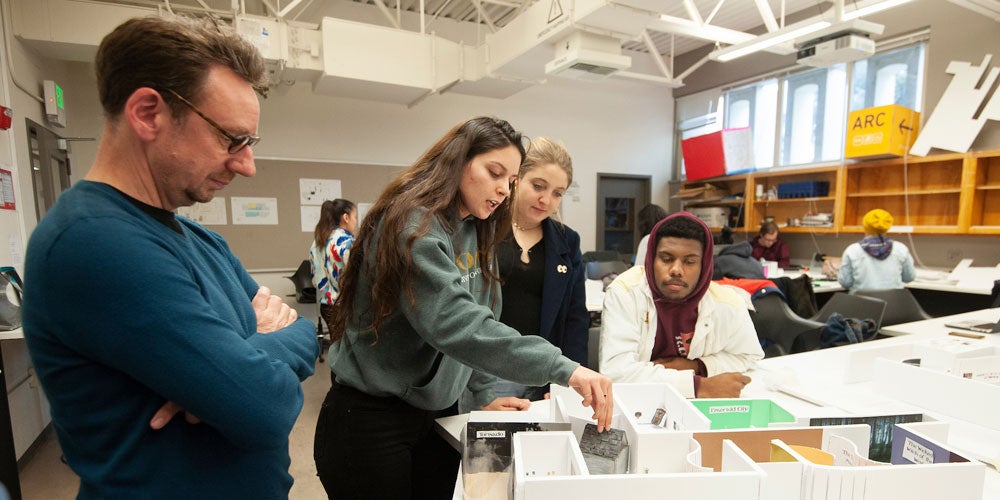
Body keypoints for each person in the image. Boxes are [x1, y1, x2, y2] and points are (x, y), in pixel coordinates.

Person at [20, 15, 318, 499]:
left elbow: (303, 331)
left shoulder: (201, 240)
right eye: (231, 139)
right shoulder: (95, 242)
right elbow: (265, 408)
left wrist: (248, 359)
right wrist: (251, 358)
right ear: (147, 114)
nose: (247, 164)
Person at [313, 117, 613, 499]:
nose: (503, 189)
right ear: (458, 161)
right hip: (372, 416)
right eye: (494, 173)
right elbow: (457, 324)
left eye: (511, 179)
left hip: (434, 413)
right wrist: (564, 367)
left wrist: (483, 392)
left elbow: (484, 312)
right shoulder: (413, 224)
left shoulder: (475, 226)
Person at [600, 212, 763, 398]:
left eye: (690, 262)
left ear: (704, 266)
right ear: (651, 259)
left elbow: (749, 358)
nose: (676, 270)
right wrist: (698, 386)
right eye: (666, 259)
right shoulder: (625, 293)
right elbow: (616, 372)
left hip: (701, 408)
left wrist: (699, 366)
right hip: (637, 402)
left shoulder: (728, 303)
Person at [487, 137, 590, 402]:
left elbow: (575, 318)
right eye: (538, 186)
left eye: (557, 193)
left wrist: (569, 378)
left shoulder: (567, 241)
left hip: (543, 370)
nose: (546, 200)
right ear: (517, 178)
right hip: (489, 369)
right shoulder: (484, 227)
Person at [838, 208, 916, 292]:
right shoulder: (901, 249)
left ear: (865, 226)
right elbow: (909, 278)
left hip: (861, 299)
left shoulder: (852, 250)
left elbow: (845, 283)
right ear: (888, 226)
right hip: (893, 300)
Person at [309, 198, 357, 328]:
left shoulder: (318, 242)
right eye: (355, 217)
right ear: (346, 218)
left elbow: (315, 280)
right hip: (346, 307)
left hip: (326, 306)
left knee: (335, 340)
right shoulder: (347, 242)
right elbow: (358, 276)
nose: (355, 222)